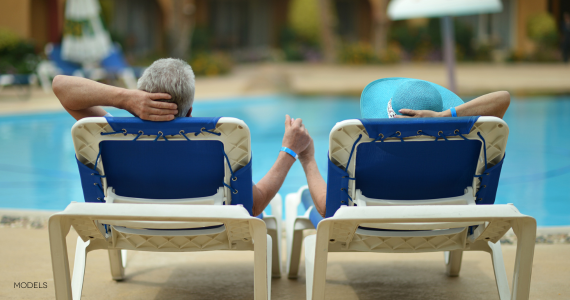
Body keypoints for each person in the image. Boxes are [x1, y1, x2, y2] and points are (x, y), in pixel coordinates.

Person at [53, 58, 311, 216]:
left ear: (138, 97)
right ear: (190, 110)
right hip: (211, 229)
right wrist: (288, 151)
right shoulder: (219, 142)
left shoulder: (110, 134)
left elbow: (61, 87)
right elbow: (253, 206)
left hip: (130, 226)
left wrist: (123, 99)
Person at [296, 78, 511, 217]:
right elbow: (503, 98)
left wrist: (307, 159)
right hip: (450, 222)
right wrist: (444, 118)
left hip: (368, 225)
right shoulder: (460, 145)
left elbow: (330, 210)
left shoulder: (365, 150)